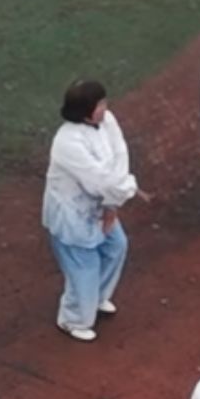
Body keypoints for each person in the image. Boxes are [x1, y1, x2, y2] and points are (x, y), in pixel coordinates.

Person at [41, 80, 135, 341]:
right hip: (72, 215)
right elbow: (97, 181)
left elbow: (119, 154)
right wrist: (124, 189)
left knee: (116, 246)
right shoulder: (67, 142)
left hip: (102, 205)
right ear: (84, 111)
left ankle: (96, 298)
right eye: (99, 104)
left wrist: (112, 205)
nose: (105, 107)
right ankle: (72, 319)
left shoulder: (108, 121)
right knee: (84, 266)